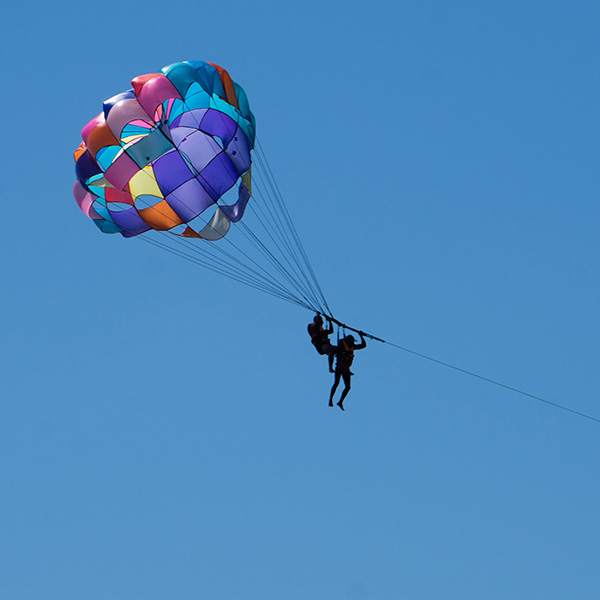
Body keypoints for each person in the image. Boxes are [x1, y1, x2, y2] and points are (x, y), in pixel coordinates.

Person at [329, 332, 366, 411]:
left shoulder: (353, 347)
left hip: (346, 369)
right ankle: (330, 399)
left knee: (348, 387)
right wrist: (331, 367)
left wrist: (361, 336)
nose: (352, 343)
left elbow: (363, 345)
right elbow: (331, 355)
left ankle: (340, 402)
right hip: (339, 367)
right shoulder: (341, 347)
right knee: (336, 383)